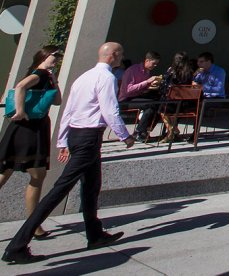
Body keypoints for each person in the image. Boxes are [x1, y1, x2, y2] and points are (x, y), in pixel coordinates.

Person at [2, 41, 134, 265]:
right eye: (120, 54)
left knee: (92, 185)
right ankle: (17, 245)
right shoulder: (107, 78)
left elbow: (68, 110)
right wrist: (125, 135)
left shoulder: (84, 77)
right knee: (60, 189)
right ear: (113, 55)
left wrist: (63, 139)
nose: (121, 57)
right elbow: (109, 110)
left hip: (77, 135)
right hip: (89, 137)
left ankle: (95, 234)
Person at [0, 47, 61, 239]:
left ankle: (34, 224)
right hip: (29, 129)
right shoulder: (40, 73)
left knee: (8, 170)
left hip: (31, 128)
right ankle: (34, 225)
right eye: (54, 56)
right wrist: (20, 111)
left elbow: (57, 100)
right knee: (37, 173)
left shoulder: (46, 76)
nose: (57, 60)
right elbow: (20, 86)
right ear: (44, 57)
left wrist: (55, 80)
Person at [118, 51, 163, 143]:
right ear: (147, 60)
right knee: (150, 105)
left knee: (158, 104)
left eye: (156, 64)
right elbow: (128, 90)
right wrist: (147, 82)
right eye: (154, 64)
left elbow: (141, 88)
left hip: (137, 96)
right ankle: (140, 131)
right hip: (126, 99)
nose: (155, 66)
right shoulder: (133, 70)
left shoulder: (146, 72)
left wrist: (151, 85)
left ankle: (142, 131)